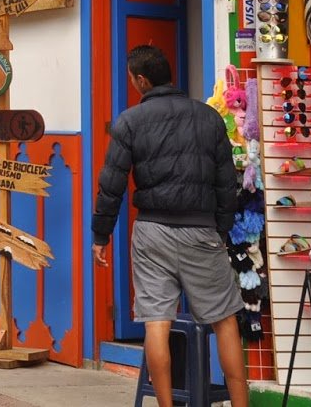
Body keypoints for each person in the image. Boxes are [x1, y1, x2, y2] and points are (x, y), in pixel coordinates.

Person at [91, 45, 249, 407]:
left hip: (151, 232)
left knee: (156, 322)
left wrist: (101, 235)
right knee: (225, 320)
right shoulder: (208, 119)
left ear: (142, 80)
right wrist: (221, 231)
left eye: (133, 79)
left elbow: (111, 183)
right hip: (200, 230)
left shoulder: (129, 121)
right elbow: (227, 183)